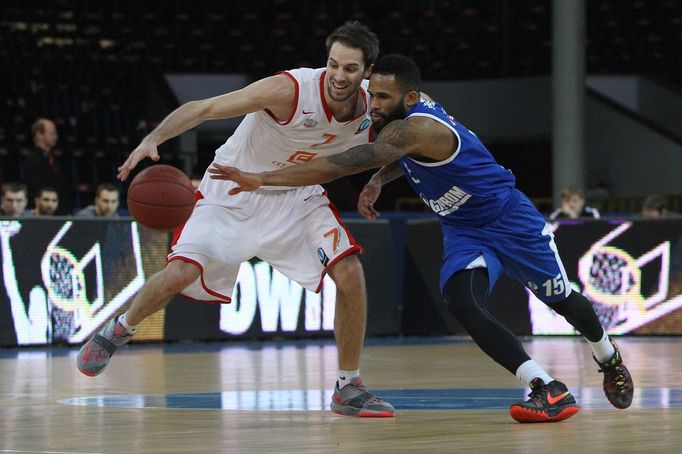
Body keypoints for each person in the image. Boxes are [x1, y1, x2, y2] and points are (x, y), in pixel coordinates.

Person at [208, 54, 634, 423]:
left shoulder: (412, 129)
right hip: (464, 227)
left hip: (508, 217)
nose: (372, 105)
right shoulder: (406, 118)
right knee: (463, 302)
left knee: (560, 300)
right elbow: (399, 154)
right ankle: (546, 385)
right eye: (372, 95)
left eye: (383, 98)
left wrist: (262, 177)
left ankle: (607, 356)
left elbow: (338, 166)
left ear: (410, 99)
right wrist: (379, 179)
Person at [77, 22, 394, 417]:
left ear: (367, 71)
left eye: (349, 69)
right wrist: (152, 138)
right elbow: (205, 109)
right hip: (231, 189)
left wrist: (378, 180)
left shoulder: (377, 105)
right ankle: (120, 327)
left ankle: (348, 386)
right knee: (180, 273)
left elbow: (415, 134)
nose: (338, 76)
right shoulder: (290, 91)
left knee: (350, 272)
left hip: (295, 197)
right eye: (333, 65)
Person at [26, 118, 70, 215]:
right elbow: (36, 188)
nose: (56, 137)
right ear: (39, 134)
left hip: (58, 209)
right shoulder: (32, 160)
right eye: (52, 133)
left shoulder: (53, 159)